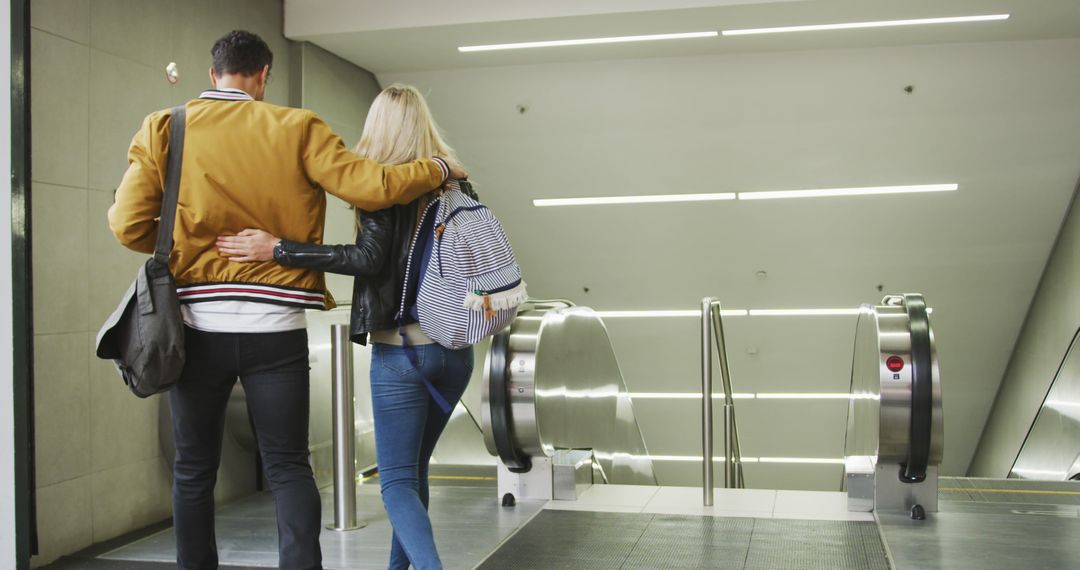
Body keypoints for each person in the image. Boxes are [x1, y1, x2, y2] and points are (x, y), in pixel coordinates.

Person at [108, 31, 465, 570]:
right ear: (263, 76)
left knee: (193, 469)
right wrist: (436, 169)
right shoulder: (297, 127)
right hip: (275, 329)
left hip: (194, 330)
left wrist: (188, 239)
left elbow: (127, 224)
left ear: (214, 75)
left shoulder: (165, 127)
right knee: (289, 468)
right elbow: (370, 187)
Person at [216, 84, 474, 570]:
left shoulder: (380, 186)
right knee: (413, 475)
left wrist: (279, 248)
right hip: (455, 353)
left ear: (377, 128)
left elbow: (368, 259)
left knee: (396, 482)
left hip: (402, 354)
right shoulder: (455, 182)